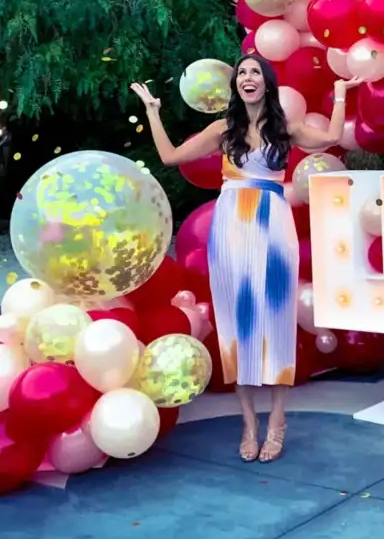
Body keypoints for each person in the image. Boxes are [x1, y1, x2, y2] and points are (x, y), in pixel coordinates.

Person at [132, 54, 354, 463]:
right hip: (231, 225)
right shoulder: (223, 129)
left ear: (266, 83)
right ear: (236, 85)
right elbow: (169, 157)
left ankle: (278, 421)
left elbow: (331, 136)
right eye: (241, 74)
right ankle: (249, 423)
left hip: (273, 226)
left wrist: (339, 95)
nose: (247, 78)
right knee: (237, 323)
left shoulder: (283, 127)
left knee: (276, 319)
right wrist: (152, 112)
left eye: (254, 72)